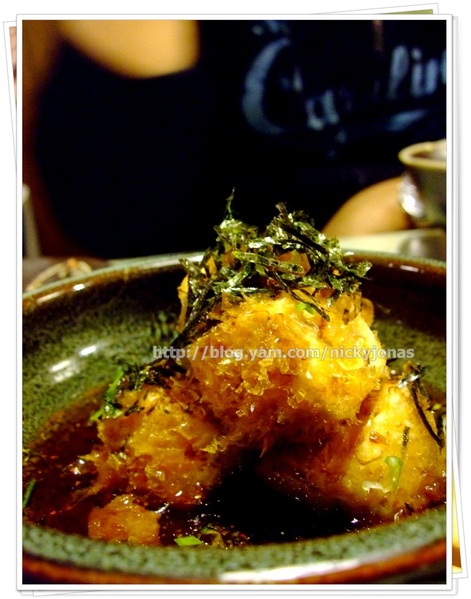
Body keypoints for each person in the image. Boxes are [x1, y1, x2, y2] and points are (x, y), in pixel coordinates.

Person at [22, 18, 447, 258]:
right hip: (229, 267)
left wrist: (402, 197)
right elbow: (119, 230)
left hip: (427, 242)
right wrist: (155, 81)